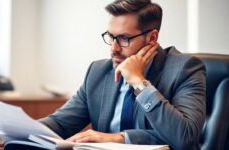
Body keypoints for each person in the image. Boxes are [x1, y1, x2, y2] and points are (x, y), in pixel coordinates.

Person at [40, 0, 206, 149]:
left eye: (124, 38)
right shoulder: (98, 72)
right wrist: (22, 129)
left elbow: (185, 137)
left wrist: (139, 82)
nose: (114, 48)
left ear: (152, 38)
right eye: (111, 37)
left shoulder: (184, 69)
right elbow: (60, 123)